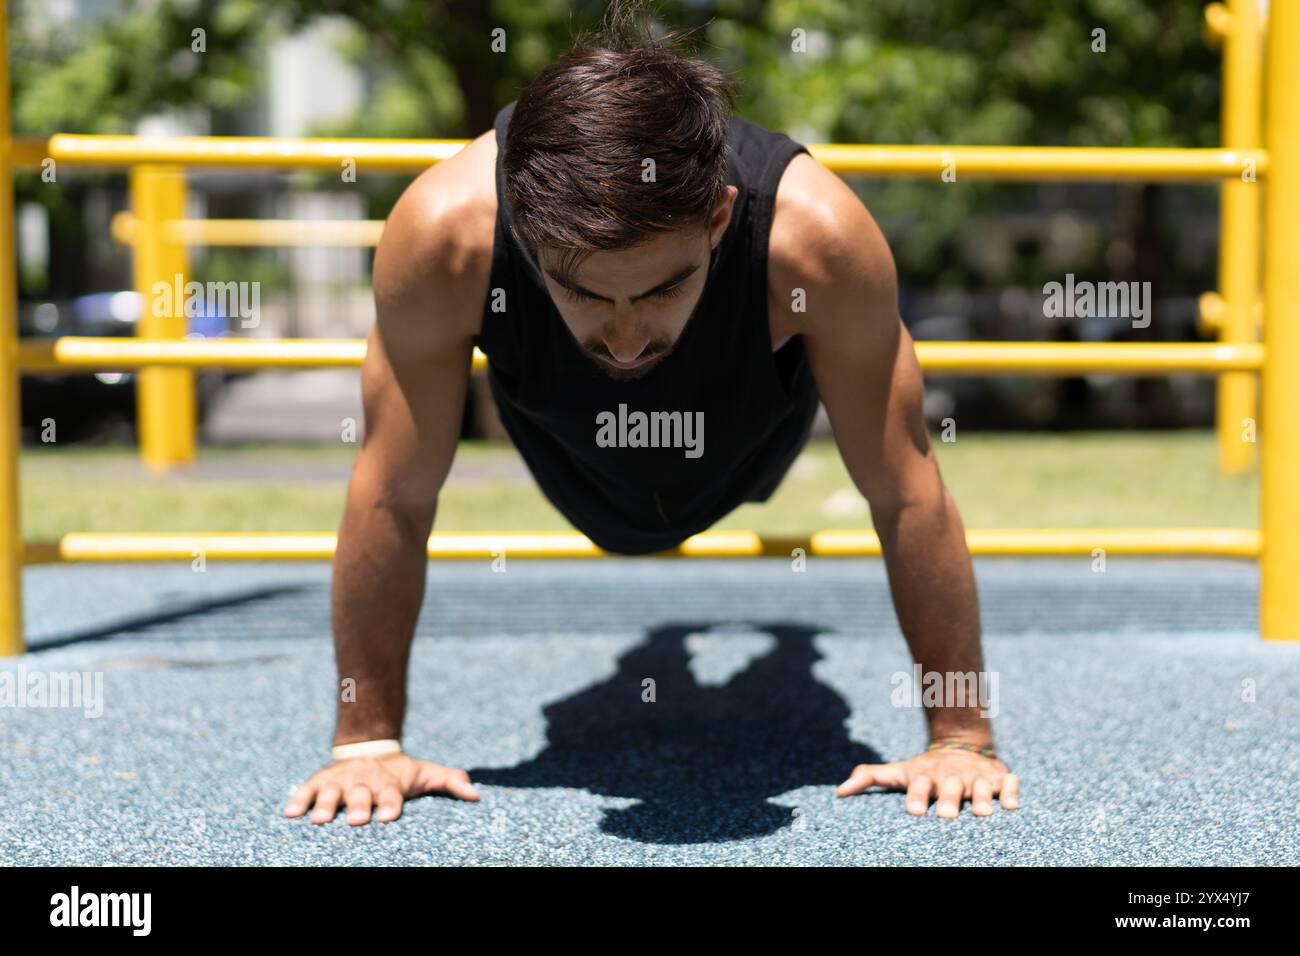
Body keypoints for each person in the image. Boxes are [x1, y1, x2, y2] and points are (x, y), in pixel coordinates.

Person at [285, 0, 1019, 827]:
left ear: (718, 219)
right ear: (524, 236)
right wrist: (365, 745)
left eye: (663, 287)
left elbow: (906, 489)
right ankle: (669, 646)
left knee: (792, 687)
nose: (628, 341)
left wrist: (961, 738)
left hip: (747, 429)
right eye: (588, 292)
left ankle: (786, 647)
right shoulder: (444, 237)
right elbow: (394, 491)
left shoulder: (813, 237)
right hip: (570, 441)